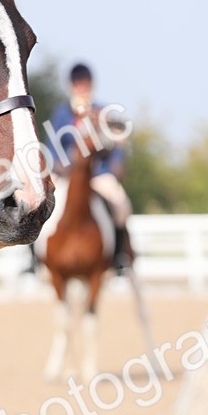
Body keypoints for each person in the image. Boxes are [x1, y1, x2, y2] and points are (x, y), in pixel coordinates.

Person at [48, 62, 134, 271]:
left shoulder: (102, 111)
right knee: (40, 204)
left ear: (91, 84)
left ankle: (118, 258)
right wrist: (57, 165)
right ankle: (33, 259)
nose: (82, 87)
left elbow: (117, 142)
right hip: (68, 174)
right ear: (71, 85)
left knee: (121, 206)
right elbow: (52, 144)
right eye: (78, 83)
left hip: (98, 173)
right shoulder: (62, 114)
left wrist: (116, 162)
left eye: (85, 83)